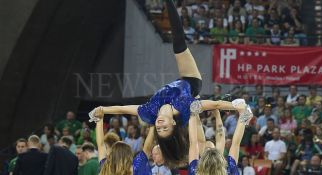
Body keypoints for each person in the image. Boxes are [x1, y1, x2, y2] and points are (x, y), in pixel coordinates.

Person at [89, 0, 247, 166]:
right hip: (190, 82)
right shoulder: (185, 107)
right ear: (173, 123)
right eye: (165, 128)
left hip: (175, 86)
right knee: (178, 44)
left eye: (159, 129)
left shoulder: (150, 112)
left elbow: (122, 109)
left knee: (176, 46)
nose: (160, 126)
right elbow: (214, 104)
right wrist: (237, 107)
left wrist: (101, 110)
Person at [188, 101, 253, 175]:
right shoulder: (228, 170)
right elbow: (235, 143)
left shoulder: (195, 171)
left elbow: (195, 142)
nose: (209, 147)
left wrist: (193, 114)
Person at [95, 107, 155, 175]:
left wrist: (99, 119)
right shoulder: (136, 167)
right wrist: (153, 124)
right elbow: (147, 148)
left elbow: (100, 145)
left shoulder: (105, 167)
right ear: (129, 154)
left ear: (112, 154)